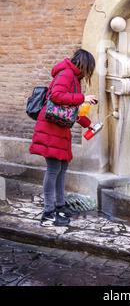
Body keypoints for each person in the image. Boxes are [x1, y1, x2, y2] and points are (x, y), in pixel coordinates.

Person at [29, 49, 97, 227]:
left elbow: (69, 109)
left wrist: (87, 124)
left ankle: (59, 206)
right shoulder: (66, 74)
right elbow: (57, 96)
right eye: (89, 68)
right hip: (50, 128)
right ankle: (48, 214)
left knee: (62, 168)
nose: (88, 73)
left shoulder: (74, 78)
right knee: (53, 170)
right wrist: (83, 98)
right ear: (84, 65)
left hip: (58, 129)